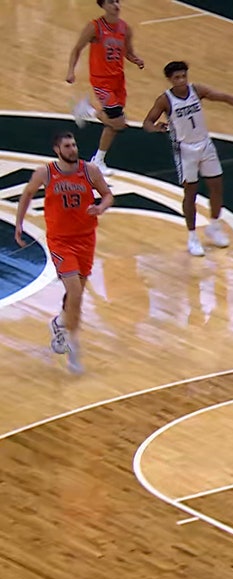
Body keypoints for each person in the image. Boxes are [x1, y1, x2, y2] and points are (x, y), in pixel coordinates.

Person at [13, 132, 114, 375]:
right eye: (67, 146)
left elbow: (108, 195)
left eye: (74, 145)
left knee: (75, 296)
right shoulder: (45, 173)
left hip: (86, 239)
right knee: (76, 293)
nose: (72, 149)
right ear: (57, 150)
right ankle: (74, 346)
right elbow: (27, 194)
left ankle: (60, 322)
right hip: (60, 241)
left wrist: (101, 207)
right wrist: (19, 224)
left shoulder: (90, 171)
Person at [141, 61, 233, 257]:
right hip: (184, 149)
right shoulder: (165, 100)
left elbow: (225, 97)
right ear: (170, 80)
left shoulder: (196, 90)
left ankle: (214, 226)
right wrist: (156, 128)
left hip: (205, 144)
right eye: (177, 78)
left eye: (184, 76)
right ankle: (192, 237)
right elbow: (147, 122)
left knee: (217, 186)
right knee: (190, 192)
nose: (182, 80)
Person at [67, 0, 145, 177]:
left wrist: (136, 60)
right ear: (103, 6)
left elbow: (127, 52)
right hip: (101, 81)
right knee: (118, 122)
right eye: (111, 2)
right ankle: (88, 110)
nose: (116, 5)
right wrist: (71, 71)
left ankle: (98, 160)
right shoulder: (95, 27)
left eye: (117, 1)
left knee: (113, 125)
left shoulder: (125, 28)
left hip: (118, 81)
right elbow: (77, 49)